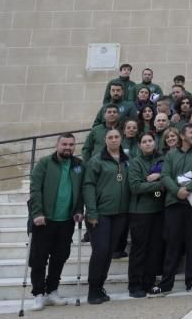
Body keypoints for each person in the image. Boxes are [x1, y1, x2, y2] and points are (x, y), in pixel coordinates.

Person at [28, 133, 84, 311]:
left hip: (66, 221)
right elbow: (35, 189)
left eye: (71, 144)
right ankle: (38, 294)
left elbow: (82, 191)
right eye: (64, 144)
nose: (67, 147)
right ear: (57, 145)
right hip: (44, 220)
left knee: (59, 257)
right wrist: (37, 213)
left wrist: (78, 210)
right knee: (39, 259)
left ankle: (52, 290)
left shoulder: (79, 166)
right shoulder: (44, 163)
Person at [153, 124, 192, 294]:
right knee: (172, 243)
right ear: (182, 136)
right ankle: (166, 282)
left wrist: (188, 188)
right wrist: (177, 191)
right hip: (174, 204)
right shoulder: (171, 155)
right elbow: (165, 175)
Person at [83, 128, 130, 305]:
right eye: (110, 137)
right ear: (105, 140)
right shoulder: (97, 161)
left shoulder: (127, 161)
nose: (113, 140)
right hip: (100, 214)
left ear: (121, 139)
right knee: (100, 251)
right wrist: (92, 212)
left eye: (116, 137)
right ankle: (93, 289)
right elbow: (88, 186)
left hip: (120, 214)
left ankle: (100, 287)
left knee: (109, 252)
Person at [127, 133, 165, 298]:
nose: (148, 144)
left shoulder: (163, 160)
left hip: (158, 210)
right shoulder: (135, 162)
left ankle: (149, 283)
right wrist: (158, 184)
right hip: (140, 212)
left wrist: (156, 179)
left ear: (155, 143)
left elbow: (169, 177)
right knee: (139, 249)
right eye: (144, 142)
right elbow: (135, 186)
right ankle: (135, 284)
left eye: (150, 141)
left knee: (154, 249)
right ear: (140, 145)